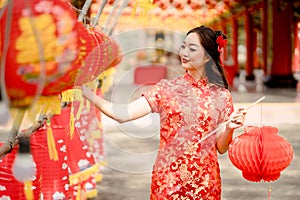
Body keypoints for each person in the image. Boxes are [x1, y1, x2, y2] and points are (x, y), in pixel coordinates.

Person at [82, 25, 247, 200]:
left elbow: (221, 147)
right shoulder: (166, 89)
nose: (184, 52)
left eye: (192, 48)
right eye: (183, 46)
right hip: (168, 181)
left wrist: (230, 128)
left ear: (208, 56)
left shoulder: (221, 95)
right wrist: (86, 92)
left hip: (206, 182)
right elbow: (123, 114)